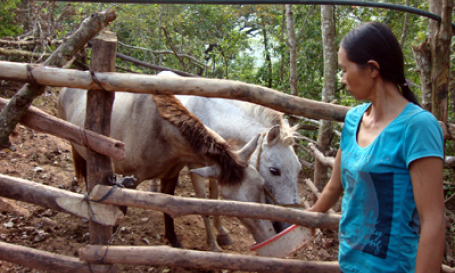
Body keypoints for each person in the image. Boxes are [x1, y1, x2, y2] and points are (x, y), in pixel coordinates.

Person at [308, 22, 446, 273]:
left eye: (344, 70)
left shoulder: (417, 127)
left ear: (372, 69)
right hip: (349, 263)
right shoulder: (353, 120)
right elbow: (335, 185)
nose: (342, 79)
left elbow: (433, 221)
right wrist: (306, 220)